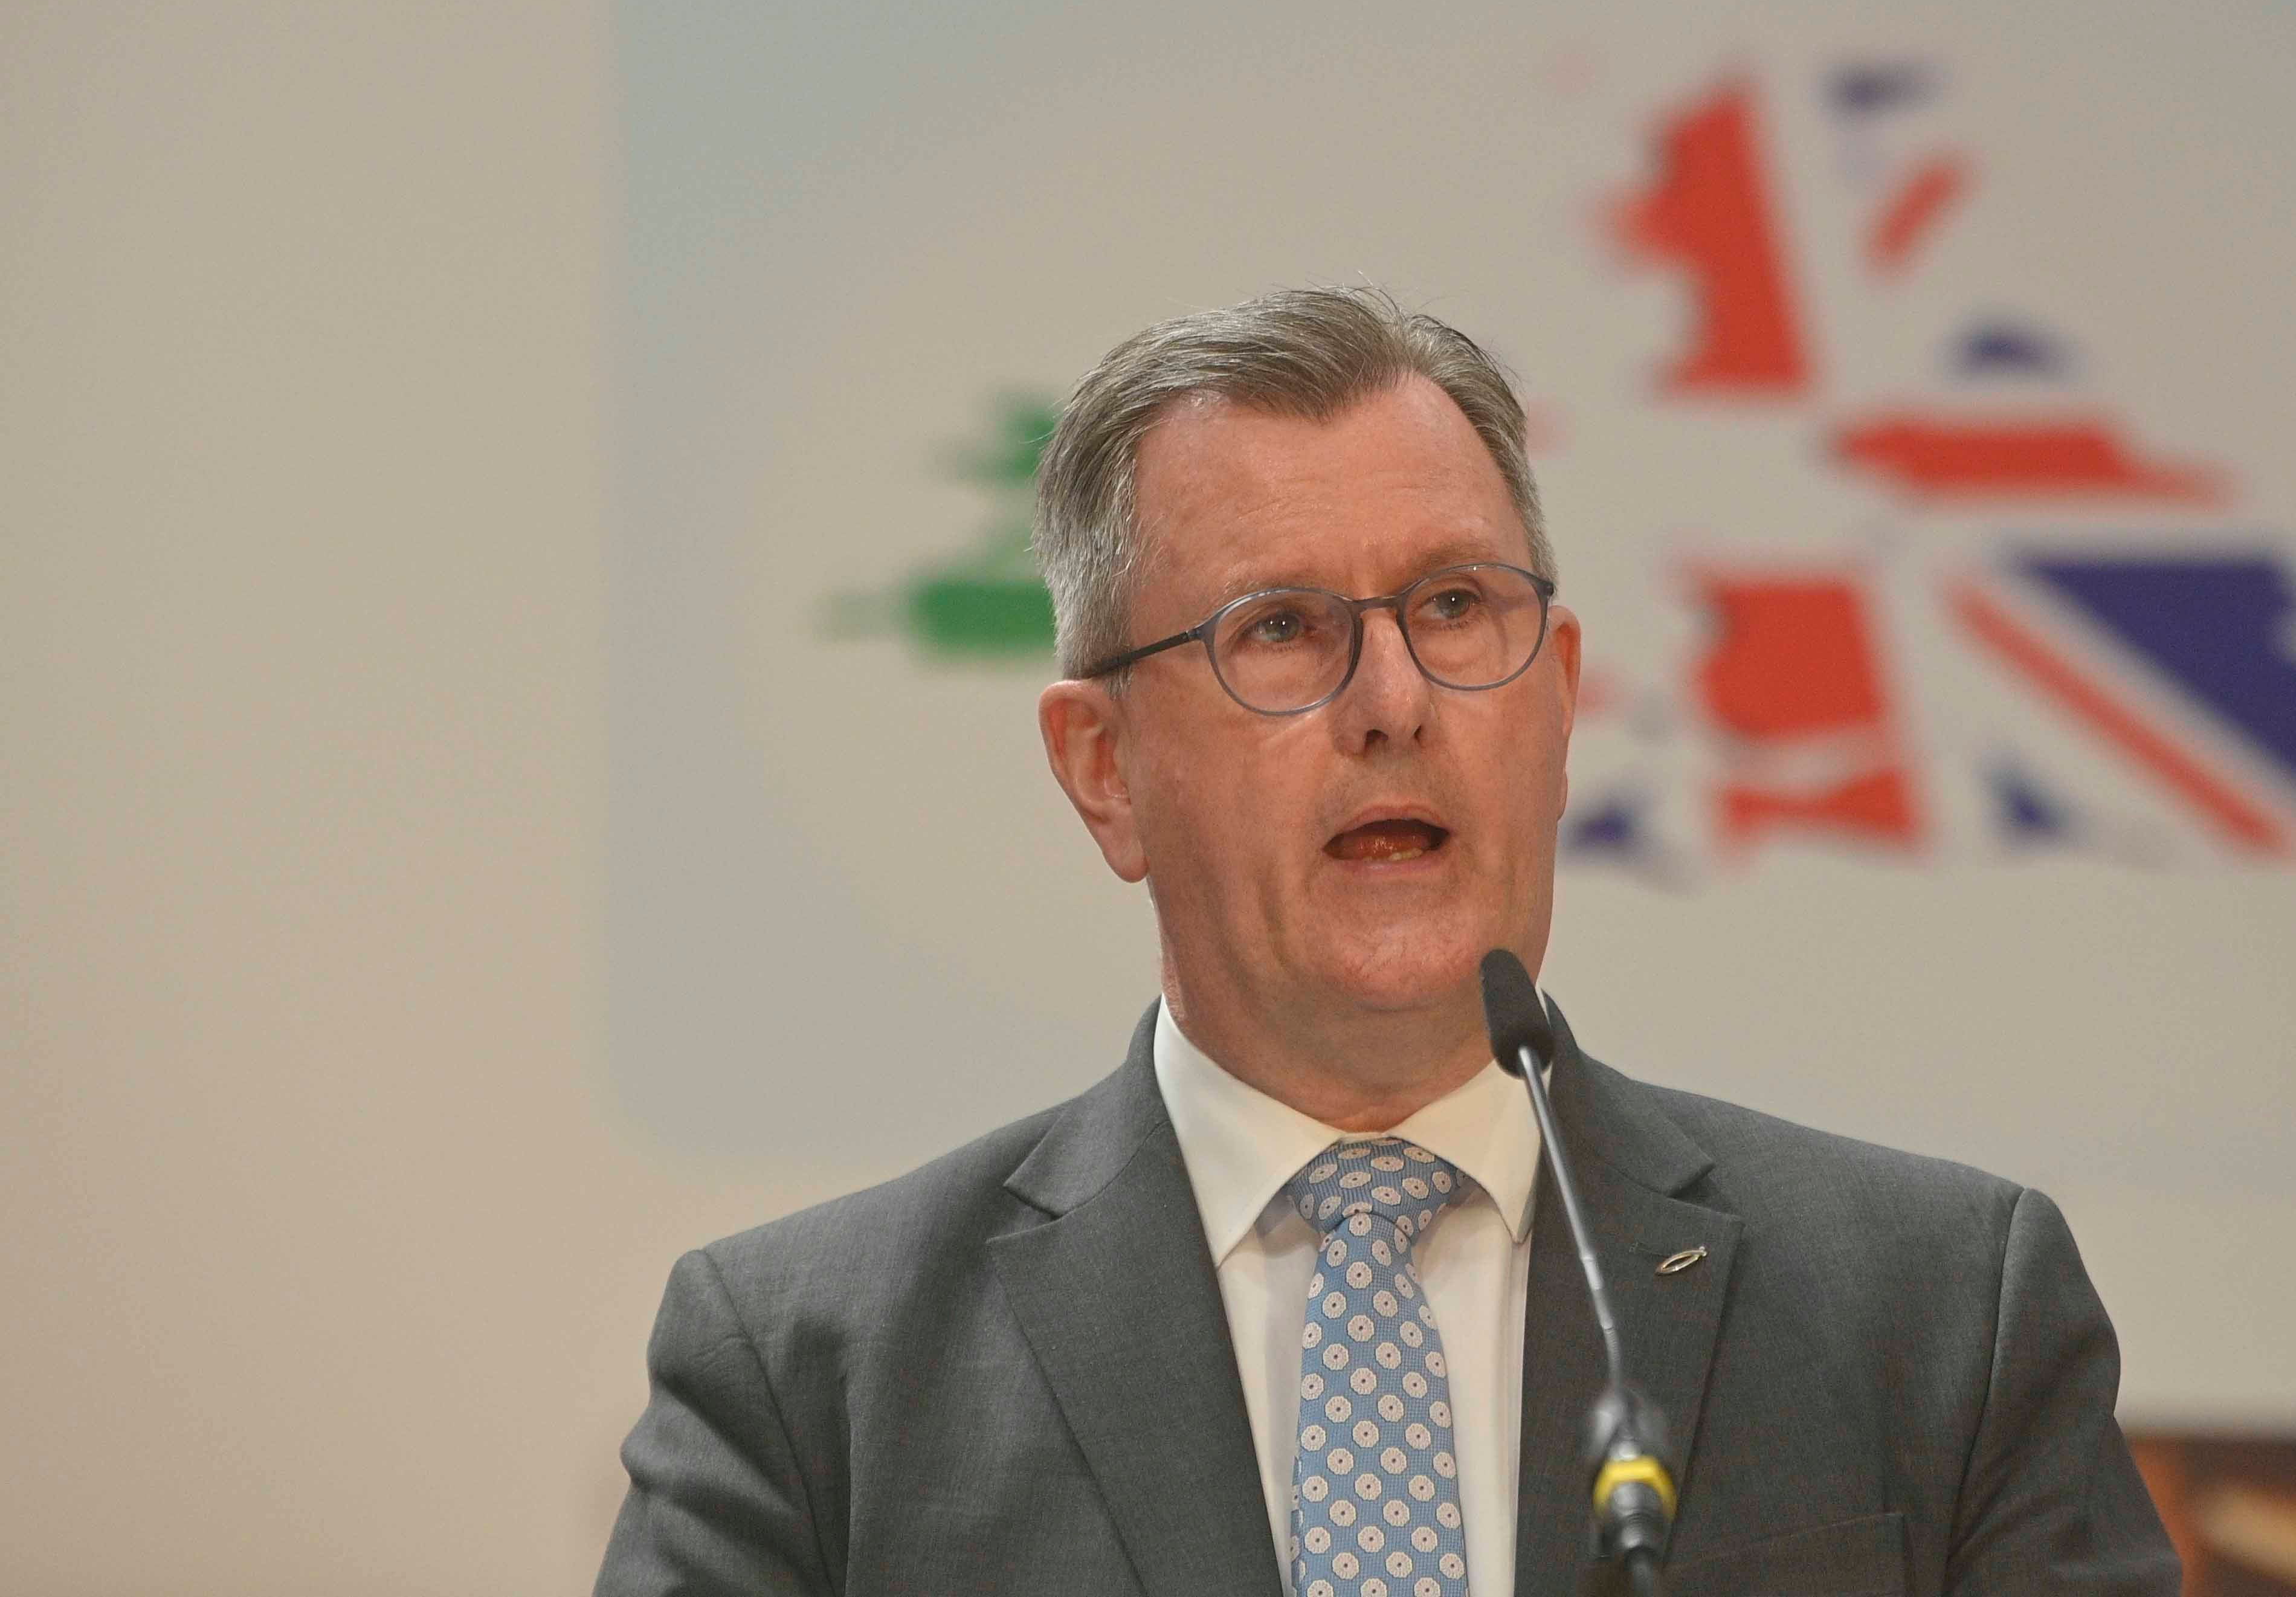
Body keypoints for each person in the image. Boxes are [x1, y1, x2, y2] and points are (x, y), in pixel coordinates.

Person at [595, 288, 2180, 1597]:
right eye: (1280, 628)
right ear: (1101, 767)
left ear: (1558, 699)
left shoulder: (1938, 1315)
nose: (1394, 700)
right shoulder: (814, 1378)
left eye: (1453, 606)